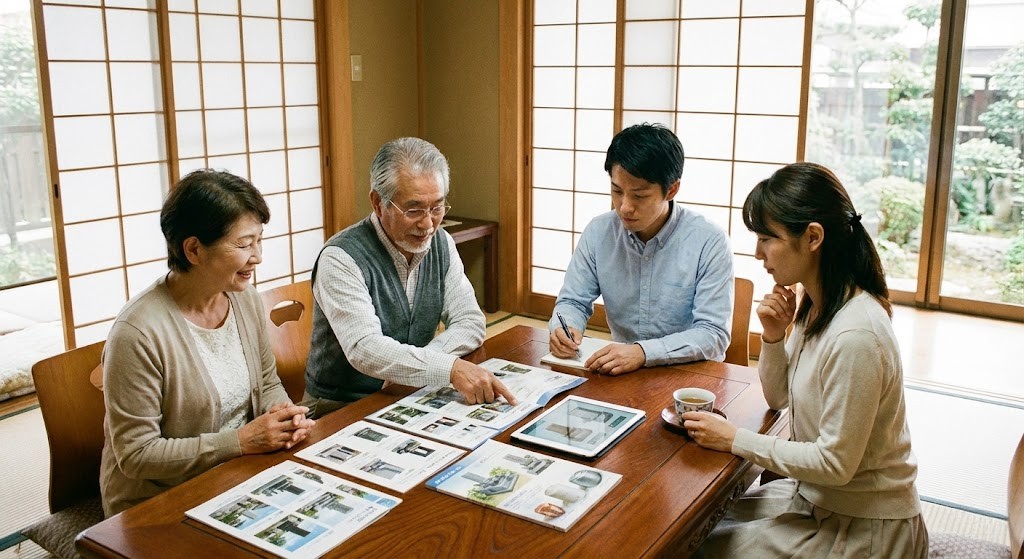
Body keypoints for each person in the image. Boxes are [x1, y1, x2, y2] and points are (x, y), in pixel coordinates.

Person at [685, 162, 928, 558]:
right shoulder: (818, 304)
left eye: (768, 238)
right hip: (816, 499)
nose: (758, 252)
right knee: (694, 532)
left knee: (700, 549)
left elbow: (835, 463)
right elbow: (779, 398)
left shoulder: (856, 333)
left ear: (813, 236)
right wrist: (774, 336)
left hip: (864, 527)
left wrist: (735, 440)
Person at [100, 169, 315, 517]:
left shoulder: (242, 299)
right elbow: (136, 455)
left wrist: (282, 415)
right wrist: (240, 442)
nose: (257, 256)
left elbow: (267, 381)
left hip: (238, 473)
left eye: (259, 240)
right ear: (194, 250)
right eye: (244, 244)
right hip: (159, 500)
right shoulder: (138, 333)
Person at [303, 137, 516, 418]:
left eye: (437, 208)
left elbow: (471, 321)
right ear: (378, 203)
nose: (428, 224)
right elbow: (364, 349)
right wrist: (447, 368)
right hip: (341, 405)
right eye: (413, 210)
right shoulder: (340, 258)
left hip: (413, 392)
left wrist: (423, 365)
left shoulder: (441, 243)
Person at [548, 123, 734, 374]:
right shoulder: (599, 232)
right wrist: (564, 327)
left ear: (672, 189)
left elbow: (713, 335)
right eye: (617, 191)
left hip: (689, 373)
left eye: (639, 196)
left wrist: (642, 352)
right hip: (621, 372)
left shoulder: (708, 241)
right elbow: (573, 301)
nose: (624, 207)